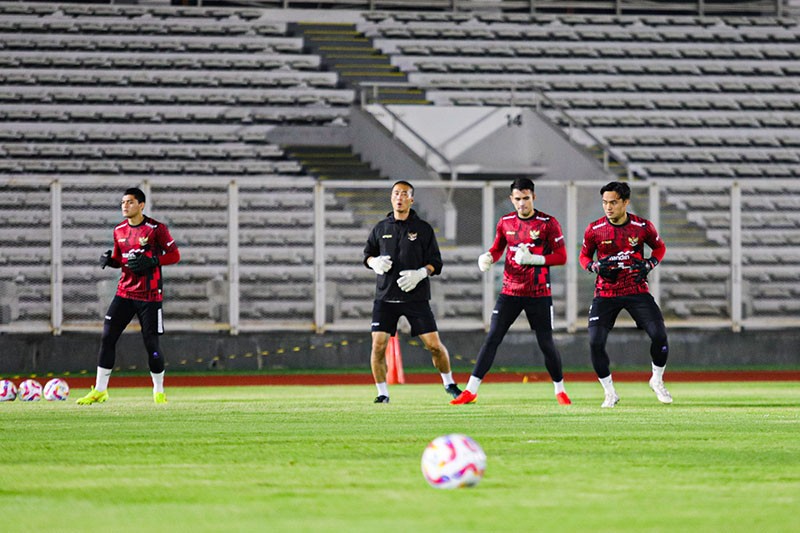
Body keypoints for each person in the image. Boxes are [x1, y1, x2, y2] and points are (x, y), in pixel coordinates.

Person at [451, 178, 571, 406]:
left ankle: (560, 391)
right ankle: (470, 390)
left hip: (539, 293)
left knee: (546, 343)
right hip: (510, 292)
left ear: (533, 197)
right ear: (511, 199)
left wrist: (535, 259)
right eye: (518, 199)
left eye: (526, 198)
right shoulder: (505, 222)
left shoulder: (548, 223)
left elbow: (561, 257)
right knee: (492, 338)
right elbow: (498, 248)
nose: (522, 203)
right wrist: (488, 257)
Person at [76, 187, 181, 405]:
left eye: (130, 202)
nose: (125, 206)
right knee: (107, 337)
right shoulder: (119, 230)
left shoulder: (156, 229)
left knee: (151, 345)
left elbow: (175, 255)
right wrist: (110, 261)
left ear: (141, 205)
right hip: (124, 292)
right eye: (123, 202)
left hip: (149, 296)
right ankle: (100, 390)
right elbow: (120, 259)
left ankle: (159, 391)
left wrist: (153, 261)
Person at [363, 180, 462, 404]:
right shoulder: (380, 228)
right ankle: (382, 393)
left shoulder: (423, 229)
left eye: (404, 194)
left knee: (434, 346)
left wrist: (421, 273)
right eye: (396, 193)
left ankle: (449, 383)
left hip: (415, 297)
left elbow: (436, 262)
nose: (399, 197)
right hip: (385, 298)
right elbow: (367, 255)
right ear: (391, 198)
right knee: (378, 346)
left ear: (411, 199)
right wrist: (374, 262)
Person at [579, 181, 671, 408]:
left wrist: (649, 264)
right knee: (595, 342)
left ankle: (656, 380)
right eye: (604, 202)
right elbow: (584, 256)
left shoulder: (642, 227)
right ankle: (610, 393)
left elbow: (660, 248)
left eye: (613, 202)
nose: (608, 207)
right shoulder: (594, 229)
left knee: (659, 336)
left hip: (636, 289)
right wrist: (594, 267)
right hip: (605, 292)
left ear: (625, 202)